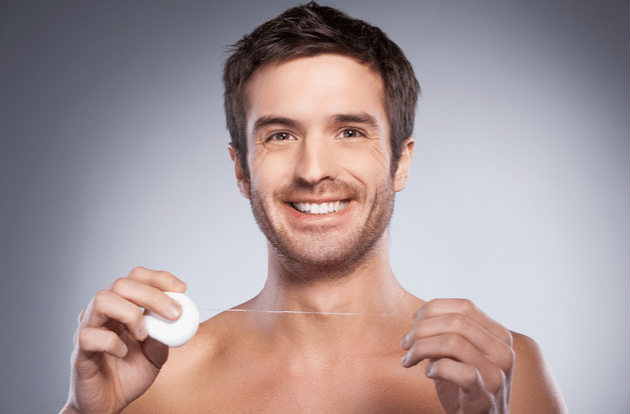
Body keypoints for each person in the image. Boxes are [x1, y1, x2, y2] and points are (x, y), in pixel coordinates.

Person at [60, 2, 568, 413]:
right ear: (241, 170)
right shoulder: (161, 381)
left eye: (349, 131)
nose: (312, 170)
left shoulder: (499, 371)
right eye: (281, 135)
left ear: (401, 162)